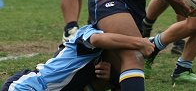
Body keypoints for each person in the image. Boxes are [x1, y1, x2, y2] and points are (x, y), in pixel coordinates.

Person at [1, 24, 154, 91]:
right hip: (30, 86)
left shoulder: (108, 55)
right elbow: (97, 40)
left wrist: (113, 76)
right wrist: (140, 42)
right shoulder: (87, 32)